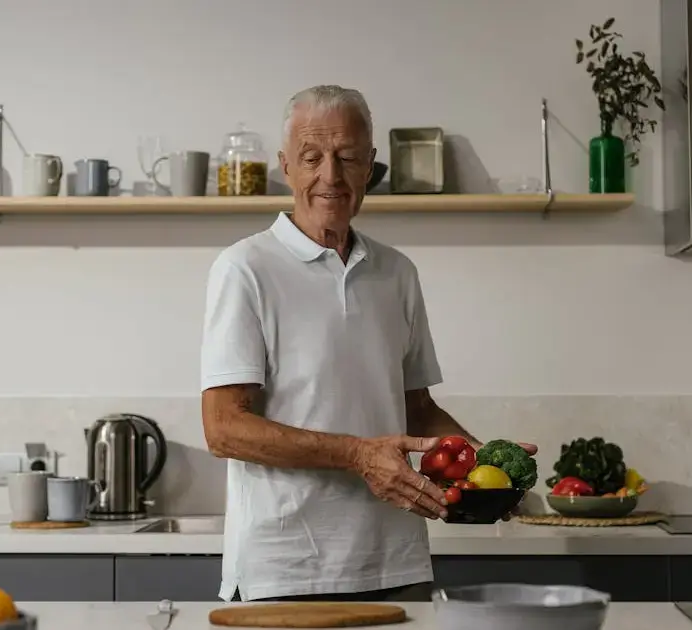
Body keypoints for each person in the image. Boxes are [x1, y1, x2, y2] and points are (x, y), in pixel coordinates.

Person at [200, 84, 535, 603]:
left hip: (397, 564)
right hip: (285, 572)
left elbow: (416, 409)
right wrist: (359, 455)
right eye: (312, 157)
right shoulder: (245, 268)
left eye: (347, 158)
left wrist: (491, 465)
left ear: (370, 168)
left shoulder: (397, 272)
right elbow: (223, 428)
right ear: (286, 165)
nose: (330, 176)